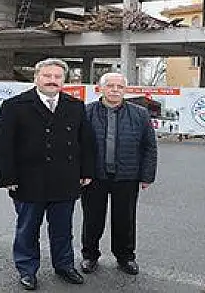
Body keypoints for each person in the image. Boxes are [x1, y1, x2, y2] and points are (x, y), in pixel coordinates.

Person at [0, 58, 95, 291]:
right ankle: (27, 270)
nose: (52, 80)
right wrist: (7, 178)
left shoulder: (75, 105)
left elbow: (86, 142)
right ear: (36, 78)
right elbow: (3, 145)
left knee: (62, 230)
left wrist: (87, 171)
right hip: (28, 181)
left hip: (65, 179)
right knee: (27, 230)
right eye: (47, 76)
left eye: (57, 77)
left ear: (64, 80)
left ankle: (64, 266)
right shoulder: (15, 105)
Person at [80, 72, 158, 276]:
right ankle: (90, 255)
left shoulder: (140, 114)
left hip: (127, 176)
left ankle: (125, 257)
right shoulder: (86, 112)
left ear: (125, 90)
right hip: (94, 176)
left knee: (125, 219)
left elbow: (149, 146)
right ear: (101, 88)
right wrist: (81, 172)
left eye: (119, 87)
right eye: (110, 86)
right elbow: (77, 146)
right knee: (92, 219)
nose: (115, 90)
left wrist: (147, 175)